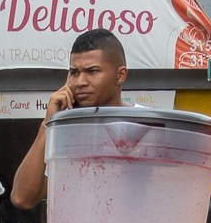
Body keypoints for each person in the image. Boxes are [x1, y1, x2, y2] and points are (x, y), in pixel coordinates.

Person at [8, 28, 129, 211]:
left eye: (92, 71)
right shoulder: (63, 132)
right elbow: (21, 198)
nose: (80, 82)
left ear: (120, 75)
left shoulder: (146, 125)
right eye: (74, 72)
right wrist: (48, 124)